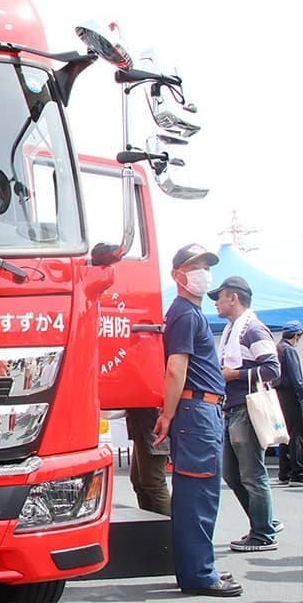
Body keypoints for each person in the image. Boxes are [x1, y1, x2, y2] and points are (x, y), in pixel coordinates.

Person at [153, 244, 242, 597]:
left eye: (206, 266)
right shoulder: (186, 314)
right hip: (196, 411)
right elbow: (176, 368)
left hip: (199, 410)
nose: (204, 273)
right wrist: (168, 414)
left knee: (198, 495)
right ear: (178, 275)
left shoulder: (188, 312)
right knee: (198, 497)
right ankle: (199, 574)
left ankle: (198, 569)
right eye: (196, 266)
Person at [210, 275, 282, 552]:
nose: (216, 302)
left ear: (234, 297)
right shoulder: (234, 330)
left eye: (219, 297)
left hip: (246, 408)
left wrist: (235, 375)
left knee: (252, 475)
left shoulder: (252, 329)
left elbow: (273, 369)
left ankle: (263, 532)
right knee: (233, 474)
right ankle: (263, 522)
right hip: (234, 409)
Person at [125, 407, 171, 516]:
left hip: (151, 424)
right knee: (140, 482)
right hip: (144, 423)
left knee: (154, 483)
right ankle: (149, 520)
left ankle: (165, 523)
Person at [275, 319, 303, 487]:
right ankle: (297, 473)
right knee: (296, 433)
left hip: (279, 395)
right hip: (291, 395)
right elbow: (296, 378)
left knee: (284, 434)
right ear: (296, 335)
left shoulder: (277, 348)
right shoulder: (289, 350)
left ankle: (284, 472)